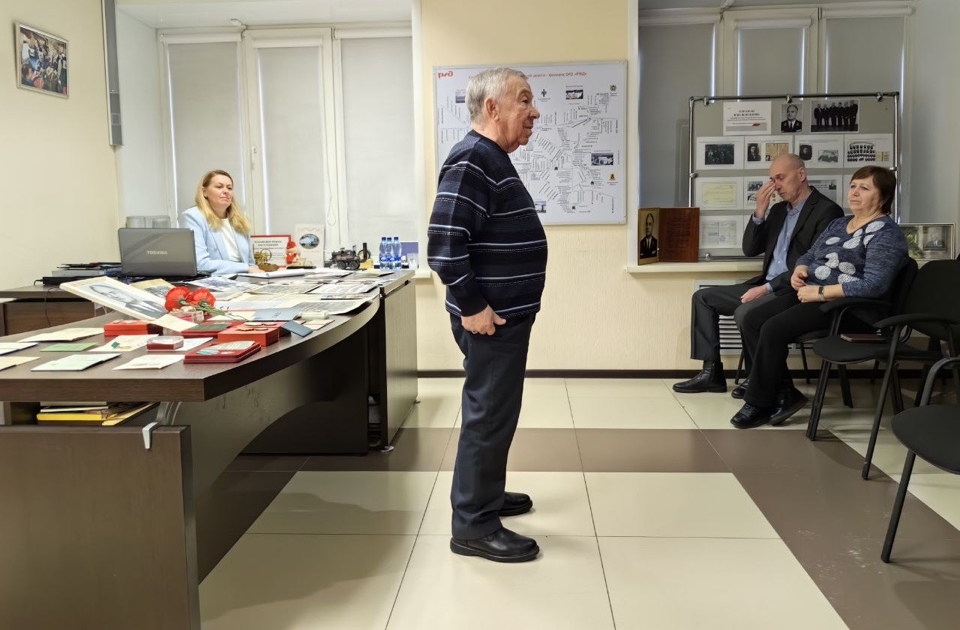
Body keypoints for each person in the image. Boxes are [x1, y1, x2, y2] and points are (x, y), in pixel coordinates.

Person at [427, 67, 547, 563]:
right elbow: (444, 245)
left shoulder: (490, 157)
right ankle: (473, 524)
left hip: (503, 318)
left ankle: (486, 495)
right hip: (490, 320)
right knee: (488, 416)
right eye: (524, 100)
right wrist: (473, 305)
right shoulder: (474, 158)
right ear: (492, 107)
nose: (535, 112)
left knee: (498, 413)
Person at [730, 166, 908, 429]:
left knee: (773, 328)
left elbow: (874, 285)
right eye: (853, 186)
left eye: (864, 188)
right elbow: (810, 255)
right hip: (813, 294)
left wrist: (822, 292)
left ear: (883, 197)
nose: (854, 193)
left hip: (850, 308)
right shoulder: (839, 224)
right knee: (752, 319)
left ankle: (758, 402)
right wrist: (800, 269)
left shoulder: (886, 234)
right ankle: (784, 393)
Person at [673, 154, 843, 396]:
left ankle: (757, 379)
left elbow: (814, 265)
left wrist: (767, 289)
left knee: (747, 312)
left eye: (780, 178)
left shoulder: (827, 211)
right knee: (703, 298)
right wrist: (759, 211)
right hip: (765, 284)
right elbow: (750, 249)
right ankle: (712, 374)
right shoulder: (778, 210)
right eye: (772, 180)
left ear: (801, 174)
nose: (776, 186)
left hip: (793, 290)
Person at [179, 170, 259, 276]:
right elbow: (201, 264)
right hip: (215, 280)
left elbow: (250, 263)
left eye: (229, 188)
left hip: (245, 278)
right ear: (204, 192)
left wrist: (259, 274)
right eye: (219, 187)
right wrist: (245, 268)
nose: (226, 191)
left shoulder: (240, 220)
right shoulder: (192, 216)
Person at [87, 283, 167, 320]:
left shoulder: (155, 300)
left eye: (112, 292)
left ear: (120, 290)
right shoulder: (127, 314)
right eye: (106, 295)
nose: (113, 296)